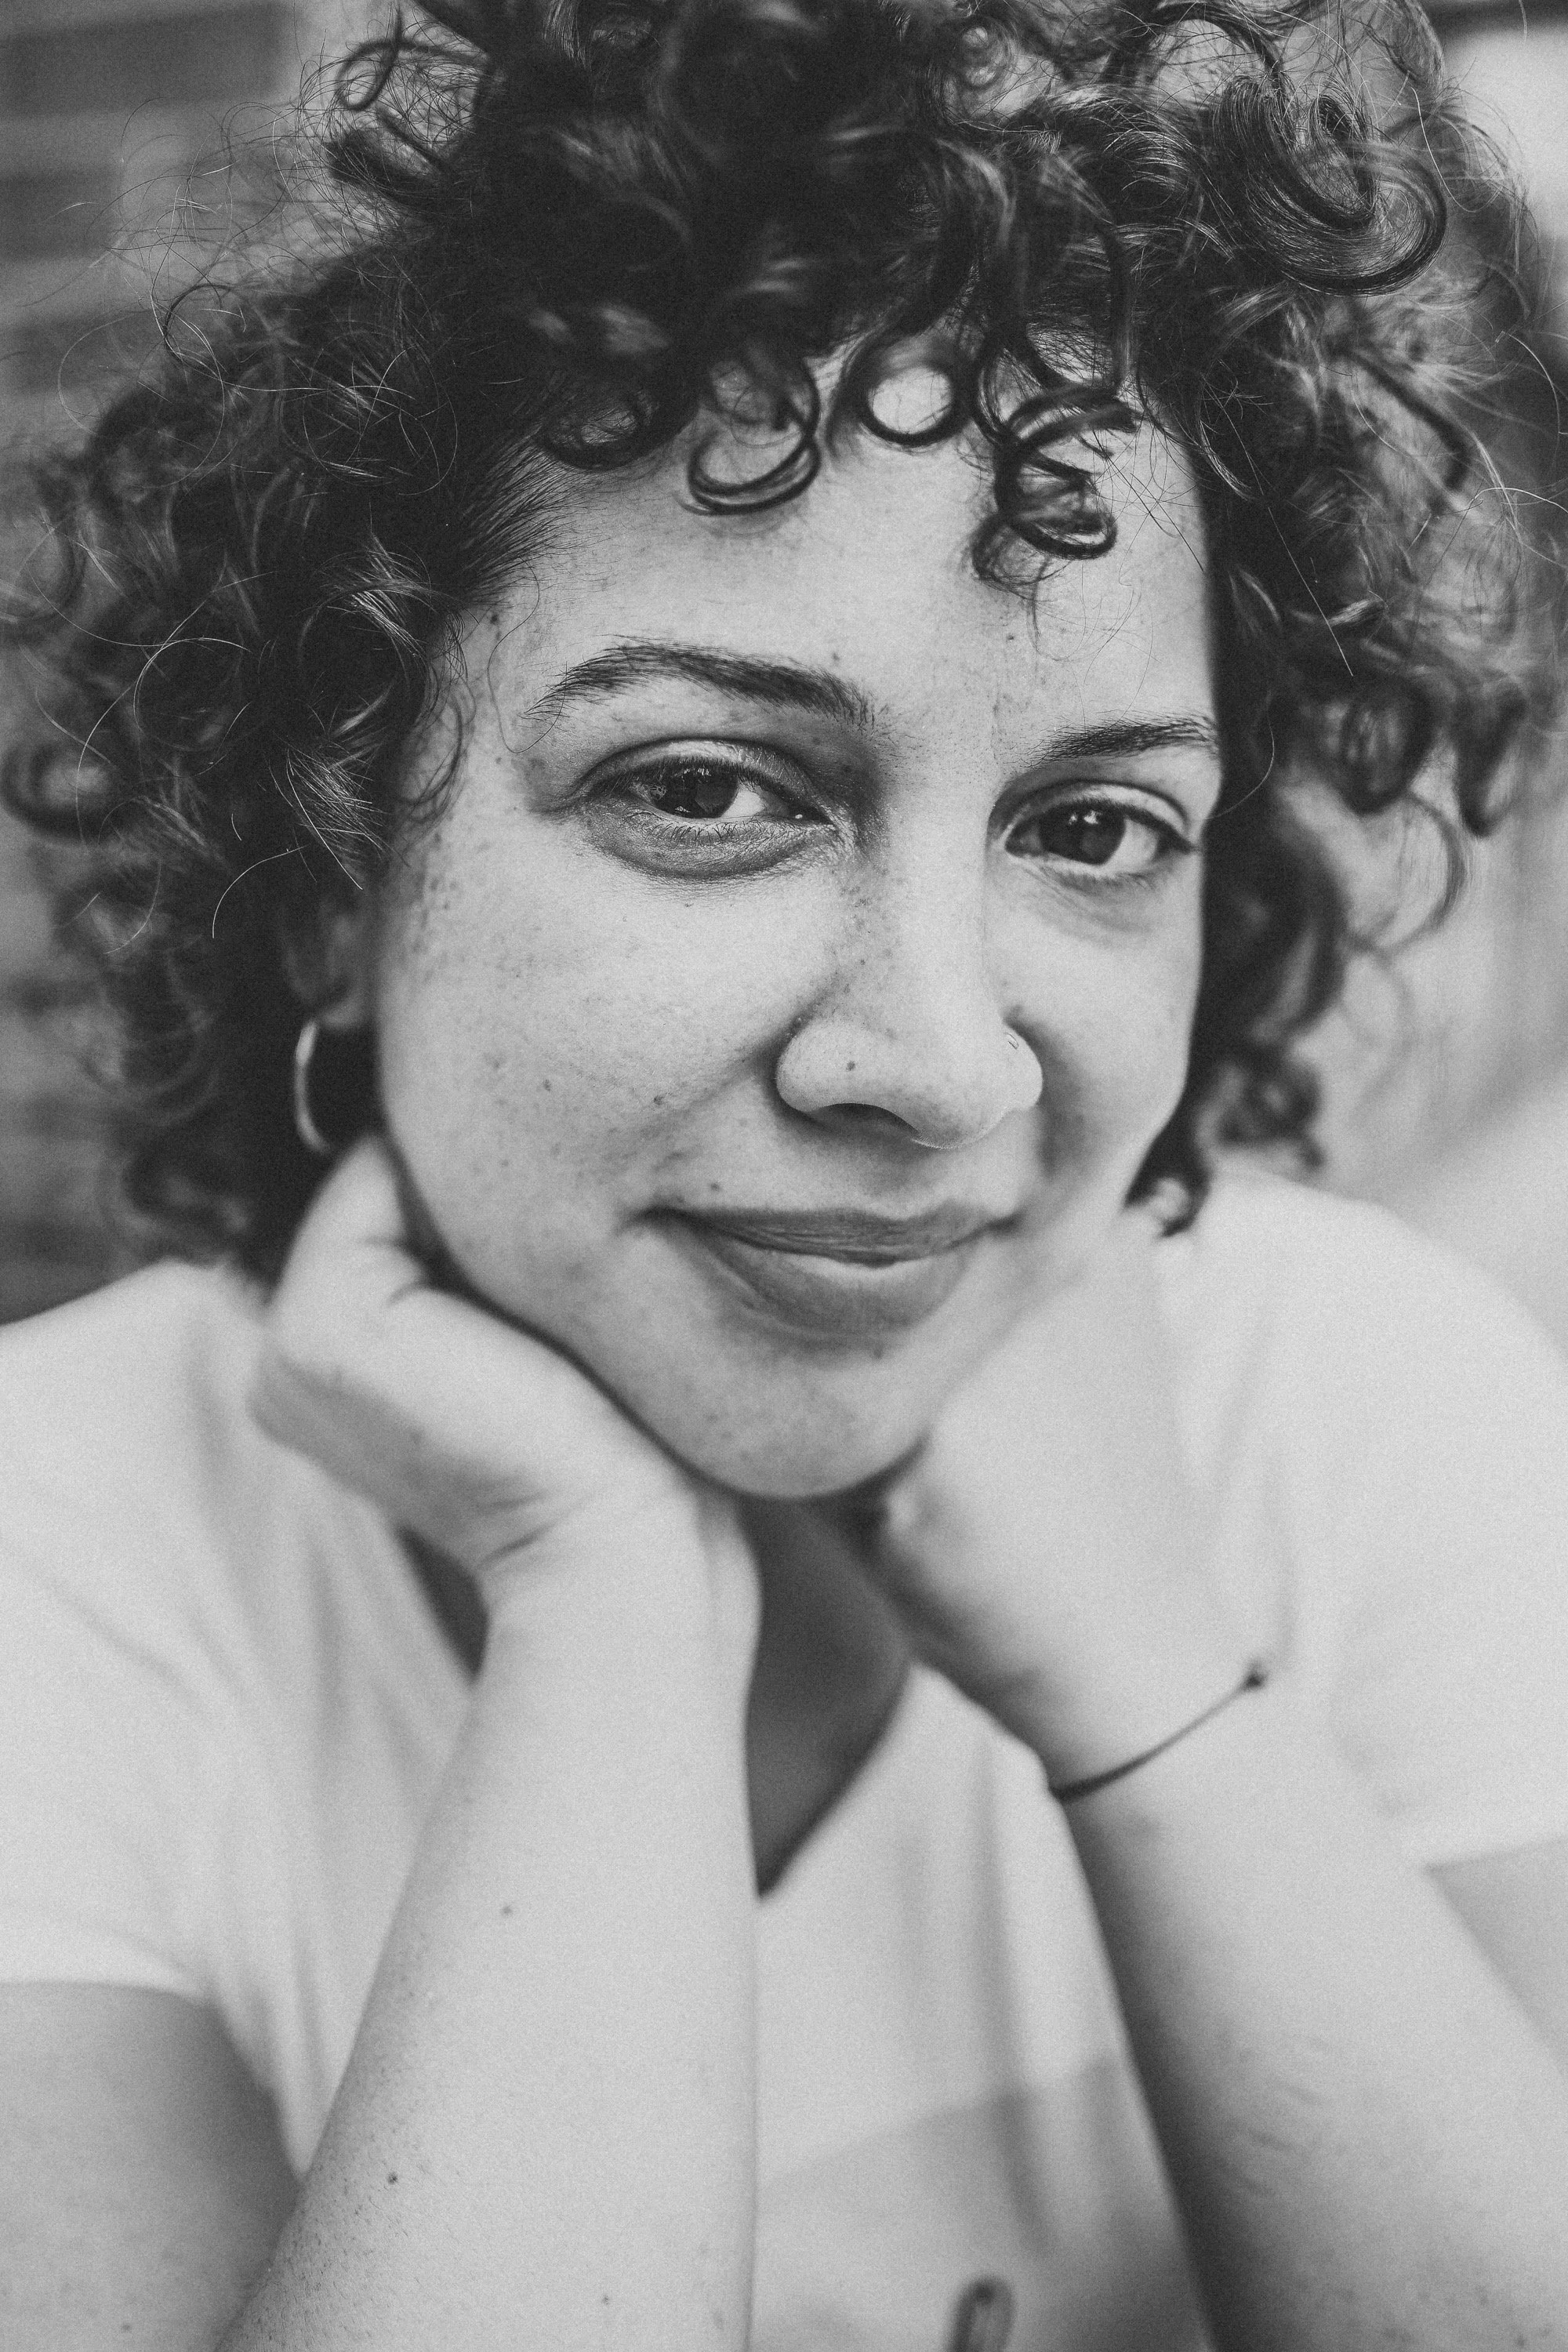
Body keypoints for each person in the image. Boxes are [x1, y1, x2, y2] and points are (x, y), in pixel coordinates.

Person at [2, 0, 1566, 2345]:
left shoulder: (1364, 1415)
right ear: (336, 860)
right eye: (711, 791)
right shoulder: (69, 1563)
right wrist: (601, 1598)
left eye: (1093, 827)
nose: (940, 1063)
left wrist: (1157, 1699)